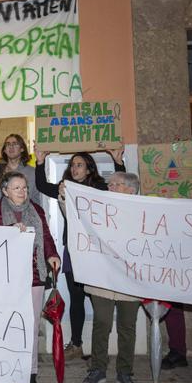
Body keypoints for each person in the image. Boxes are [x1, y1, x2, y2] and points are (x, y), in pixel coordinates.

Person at [34, 147, 124, 360]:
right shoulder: (66, 188)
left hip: (96, 252)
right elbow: (41, 186)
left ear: (89, 169)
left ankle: (101, 348)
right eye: (72, 165)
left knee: (97, 298)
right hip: (73, 250)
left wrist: (118, 162)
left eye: (79, 165)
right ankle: (76, 344)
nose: (74, 168)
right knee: (76, 297)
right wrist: (39, 162)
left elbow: (122, 192)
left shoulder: (101, 188)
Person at [0, 171, 60, 383]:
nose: (22, 191)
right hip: (6, 279)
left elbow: (45, 236)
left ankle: (30, 374)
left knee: (31, 326)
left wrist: (52, 255)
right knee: (6, 326)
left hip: (34, 276)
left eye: (24, 187)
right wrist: (8, 232)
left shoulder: (36, 210)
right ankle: (6, 372)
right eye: (16, 188)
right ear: (5, 191)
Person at [82, 172, 142, 383]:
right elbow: (76, 214)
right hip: (103, 277)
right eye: (110, 184)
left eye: (116, 184)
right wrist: (63, 198)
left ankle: (125, 371)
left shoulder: (144, 213)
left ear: (131, 189)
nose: (111, 187)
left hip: (130, 279)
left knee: (127, 326)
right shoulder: (98, 208)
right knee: (102, 323)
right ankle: (98, 368)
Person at [0, 133, 38, 202]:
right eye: (8, 144)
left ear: (22, 149)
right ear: (4, 150)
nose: (11, 147)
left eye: (15, 144)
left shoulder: (33, 173)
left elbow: (37, 199)